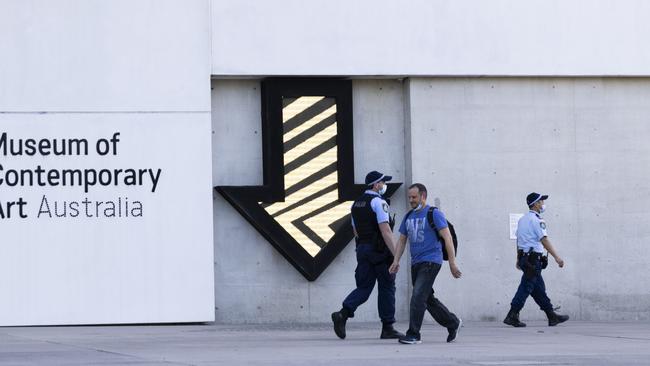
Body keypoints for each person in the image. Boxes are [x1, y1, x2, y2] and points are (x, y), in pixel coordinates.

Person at [331, 171, 403, 340]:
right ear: (375, 184)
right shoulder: (379, 202)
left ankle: (343, 314)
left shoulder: (356, 204)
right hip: (379, 251)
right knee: (387, 287)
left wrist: (364, 248)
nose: (384, 185)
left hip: (363, 249)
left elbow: (356, 231)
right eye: (383, 182)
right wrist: (396, 256)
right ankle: (388, 327)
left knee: (364, 288)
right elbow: (385, 230)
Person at [389, 183, 462, 344]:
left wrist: (452, 263)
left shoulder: (434, 214)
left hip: (431, 261)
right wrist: (396, 260)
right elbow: (401, 241)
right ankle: (453, 323)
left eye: (414, 197)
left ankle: (413, 334)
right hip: (416, 263)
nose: (411, 200)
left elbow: (447, 237)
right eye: (409, 197)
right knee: (427, 299)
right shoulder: (408, 216)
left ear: (423, 196)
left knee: (417, 296)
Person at [503, 192, 569, 327]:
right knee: (525, 287)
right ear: (535, 204)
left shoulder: (522, 220)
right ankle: (512, 314)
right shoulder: (537, 220)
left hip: (524, 259)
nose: (543, 204)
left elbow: (519, 240)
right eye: (541, 201)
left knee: (538, 289)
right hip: (533, 261)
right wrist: (557, 257)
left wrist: (518, 259)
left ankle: (551, 316)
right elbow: (544, 240)